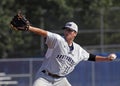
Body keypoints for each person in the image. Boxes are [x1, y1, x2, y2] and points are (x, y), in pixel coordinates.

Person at [28, 22, 116, 86]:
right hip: (44, 77)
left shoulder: (78, 50)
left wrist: (106, 59)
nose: (66, 32)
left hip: (60, 80)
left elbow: (91, 57)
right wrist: (29, 28)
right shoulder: (58, 40)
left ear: (75, 34)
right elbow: (44, 33)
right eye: (66, 29)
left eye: (70, 30)